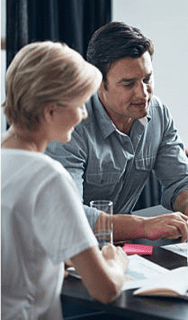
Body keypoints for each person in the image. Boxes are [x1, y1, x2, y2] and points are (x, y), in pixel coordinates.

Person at [46, 22, 188, 242]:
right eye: (128, 84)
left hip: (120, 246)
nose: (143, 93)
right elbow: (68, 216)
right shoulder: (71, 123)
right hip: (67, 250)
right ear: (98, 82)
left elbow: (184, 181)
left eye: (147, 79)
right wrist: (144, 226)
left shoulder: (158, 112)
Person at [0, 41, 128, 319]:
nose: (83, 115)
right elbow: (104, 290)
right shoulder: (47, 175)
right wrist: (115, 263)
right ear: (50, 111)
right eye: (80, 104)